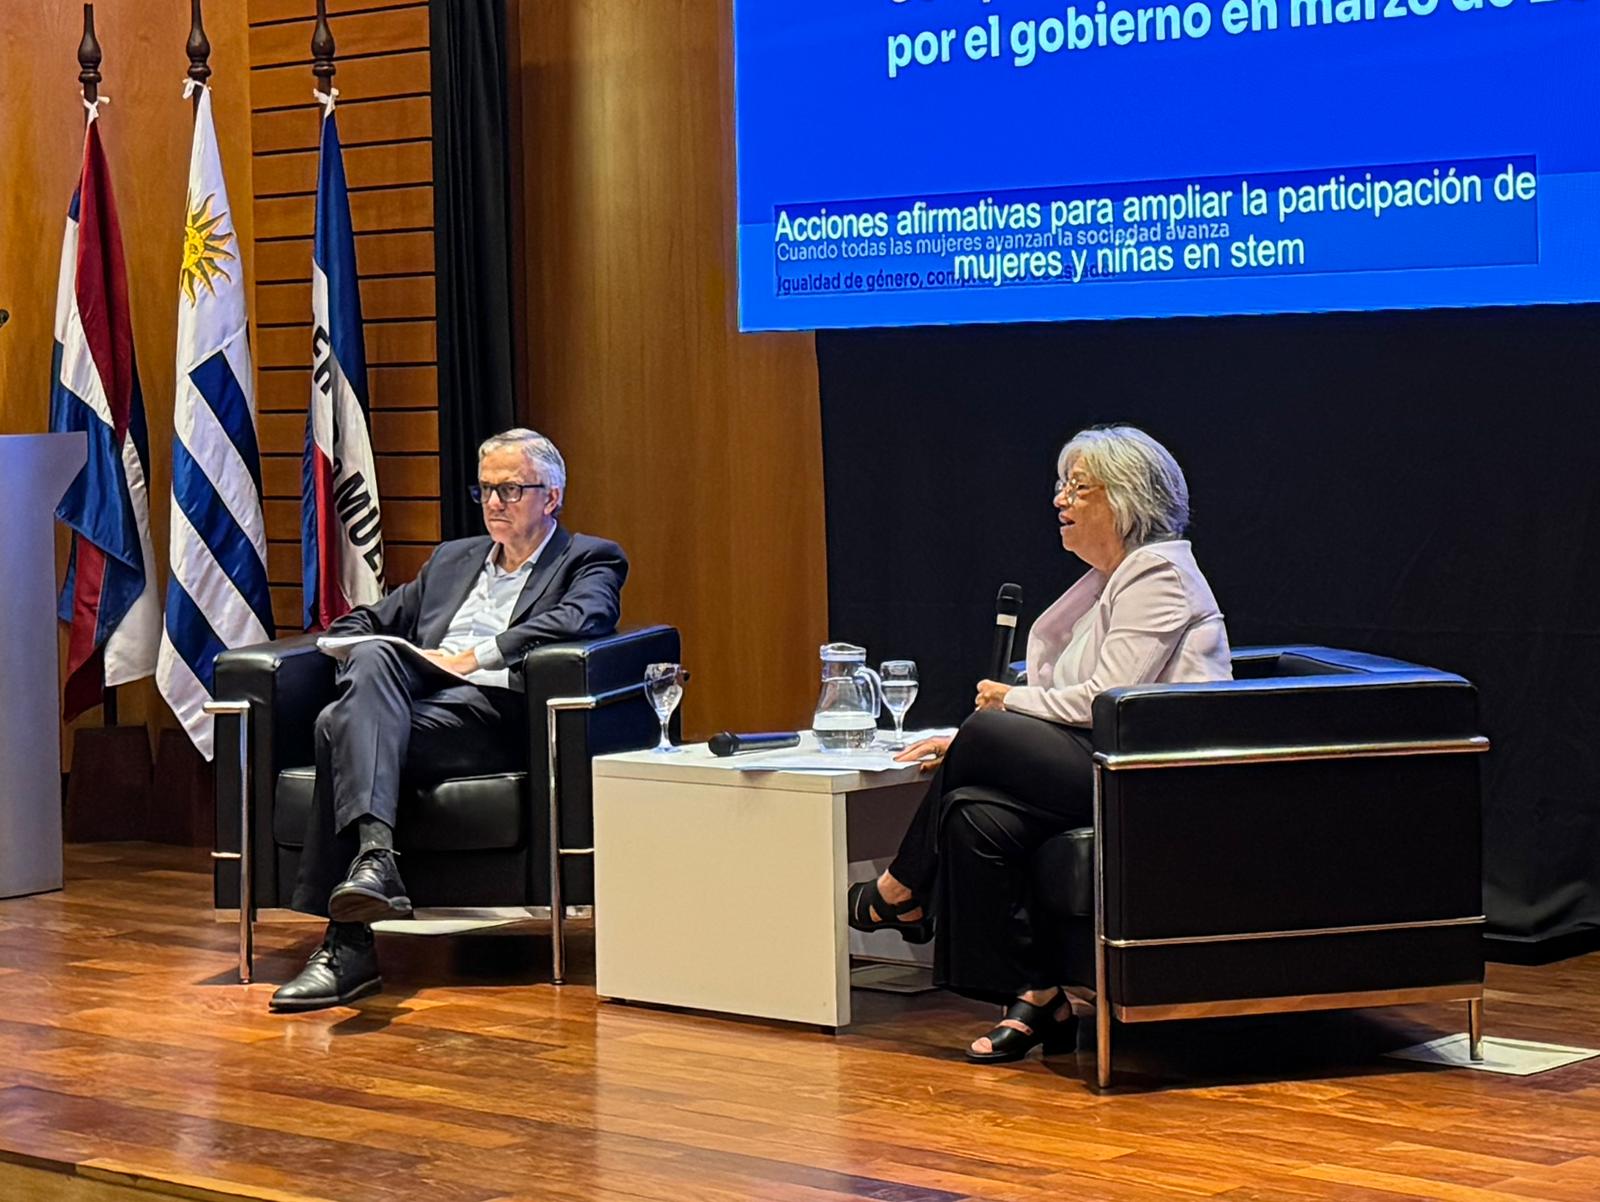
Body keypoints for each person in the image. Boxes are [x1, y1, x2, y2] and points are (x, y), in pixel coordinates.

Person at [846, 424, 1231, 1063]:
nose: (1060, 500)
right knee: (973, 815)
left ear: (1125, 499)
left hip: (1152, 779)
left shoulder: (1158, 572)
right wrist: (977, 738)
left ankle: (902, 887)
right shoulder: (1109, 578)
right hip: (1102, 760)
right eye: (1061, 486)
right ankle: (1036, 996)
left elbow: (1106, 698)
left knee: (985, 730)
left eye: (1078, 488)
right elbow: (1063, 695)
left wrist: (1004, 708)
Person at [270, 428, 627, 1013]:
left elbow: (581, 618)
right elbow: (372, 620)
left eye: (510, 490)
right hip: (416, 705)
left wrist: (474, 657)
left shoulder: (588, 558)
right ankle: (373, 864)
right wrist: (345, 649)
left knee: (337, 727)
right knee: (368, 668)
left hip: (491, 715)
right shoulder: (452, 560)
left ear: (552, 497)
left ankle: (346, 946)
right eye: (485, 489)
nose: (494, 503)